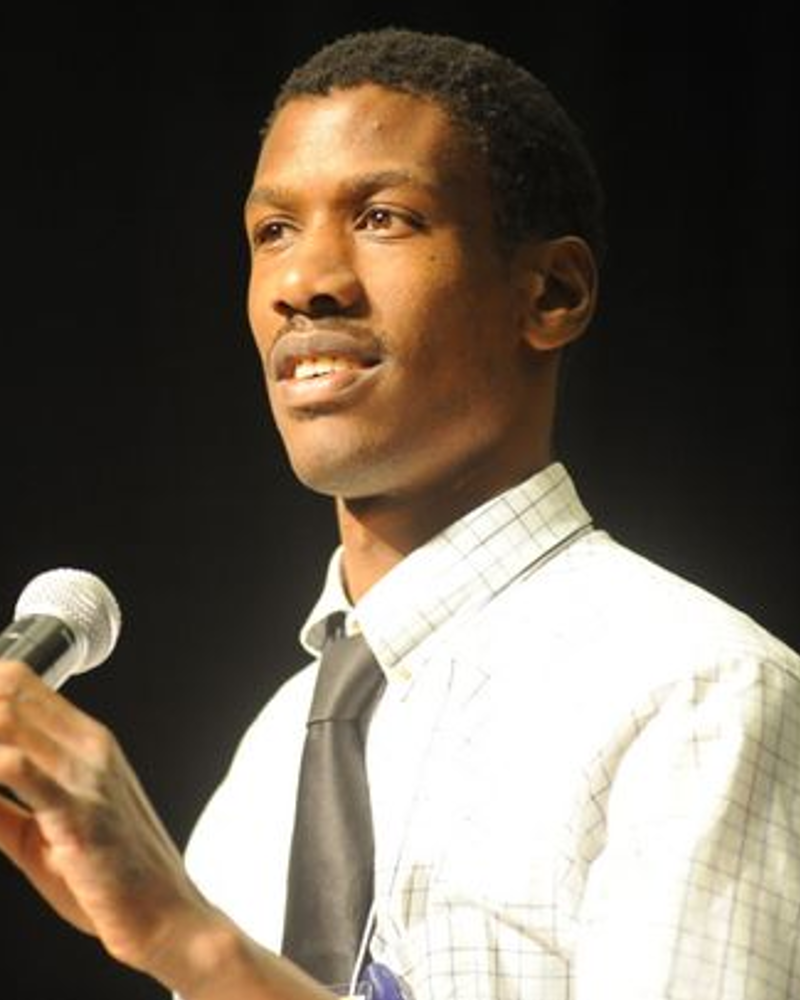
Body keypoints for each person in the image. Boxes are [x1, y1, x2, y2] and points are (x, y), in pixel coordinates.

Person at [0, 24, 798, 1000]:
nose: (304, 284)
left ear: (551, 293)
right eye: (273, 232)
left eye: (383, 217)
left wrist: (192, 942)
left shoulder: (697, 696)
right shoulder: (265, 764)